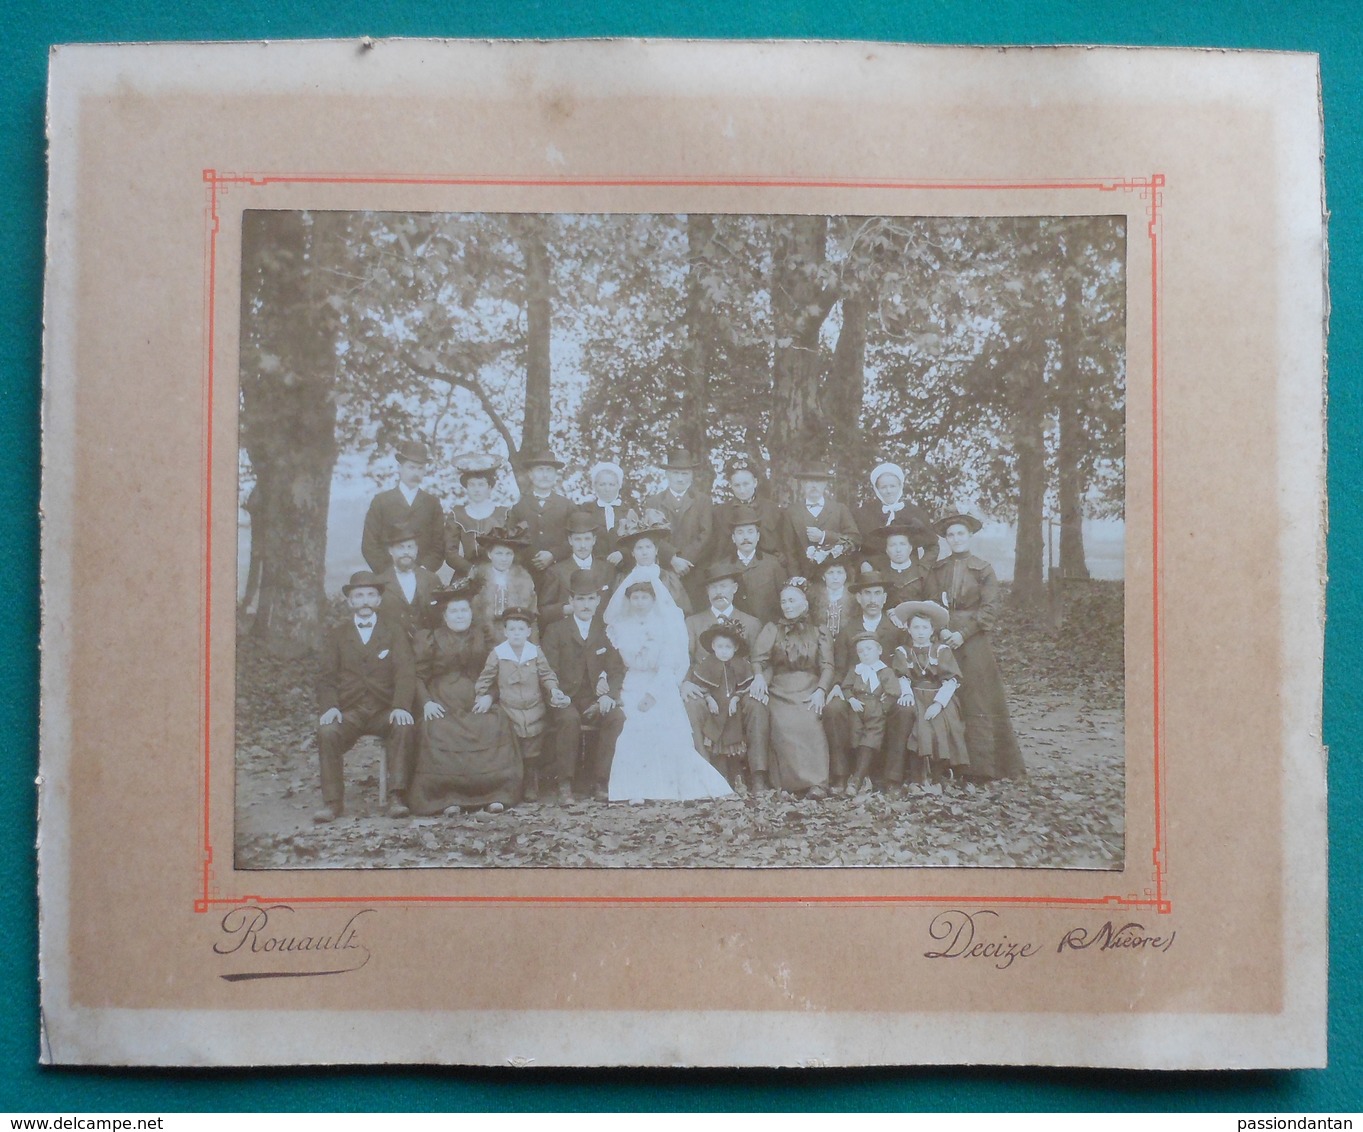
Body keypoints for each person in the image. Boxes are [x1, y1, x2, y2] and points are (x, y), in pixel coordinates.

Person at [602, 567, 734, 803]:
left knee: (662, 727)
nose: (640, 603)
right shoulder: (621, 627)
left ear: (654, 599)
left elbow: (668, 666)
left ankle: (666, 788)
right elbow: (616, 664)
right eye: (635, 598)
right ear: (629, 600)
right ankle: (635, 790)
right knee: (632, 730)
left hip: (660, 685)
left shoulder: (666, 626)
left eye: (645, 597)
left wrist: (652, 695)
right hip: (632, 683)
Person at [406, 579, 521, 815]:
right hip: (441, 701)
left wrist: (489, 696)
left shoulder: (484, 636)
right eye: (454, 611)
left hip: (477, 698)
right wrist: (426, 703)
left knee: (494, 722)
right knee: (438, 729)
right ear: (445, 616)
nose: (460, 615)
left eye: (464, 610)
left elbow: (499, 670)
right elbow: (417, 676)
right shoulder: (431, 638)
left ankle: (495, 794)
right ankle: (446, 797)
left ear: (471, 612)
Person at [313, 570, 417, 822]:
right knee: (327, 732)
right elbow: (326, 676)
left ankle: (397, 797)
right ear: (350, 602)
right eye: (359, 596)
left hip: (384, 710)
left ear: (379, 601)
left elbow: (405, 672)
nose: (365, 601)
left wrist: (401, 705)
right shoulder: (337, 635)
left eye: (371, 595)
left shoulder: (394, 631)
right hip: (350, 711)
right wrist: (330, 706)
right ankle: (332, 802)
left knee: (404, 726)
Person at [929, 512, 1026, 780]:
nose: (956, 539)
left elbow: (989, 608)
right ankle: (947, 764)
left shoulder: (983, 569)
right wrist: (943, 630)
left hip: (973, 643)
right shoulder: (938, 569)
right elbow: (930, 604)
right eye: (951, 535)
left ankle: (983, 767)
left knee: (977, 698)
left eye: (960, 534)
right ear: (946, 539)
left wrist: (963, 633)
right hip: (944, 638)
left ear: (969, 536)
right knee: (943, 696)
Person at [540, 570, 627, 802]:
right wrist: (554, 692)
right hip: (565, 698)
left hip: (596, 699)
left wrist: (609, 695)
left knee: (616, 717)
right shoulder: (556, 630)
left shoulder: (606, 631)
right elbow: (548, 669)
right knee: (569, 720)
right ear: (571, 601)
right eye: (580, 599)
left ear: (598, 600)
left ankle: (601, 781)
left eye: (590, 599)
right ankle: (565, 783)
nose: (586, 605)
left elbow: (617, 669)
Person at [682, 562, 770, 790]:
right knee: (692, 705)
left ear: (734, 589)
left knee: (757, 705)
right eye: (713, 588)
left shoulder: (751, 623)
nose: (718, 592)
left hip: (740, 689)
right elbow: (685, 659)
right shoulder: (693, 622)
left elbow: (761, 659)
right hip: (706, 689)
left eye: (723, 586)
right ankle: (705, 774)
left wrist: (759, 679)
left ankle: (758, 774)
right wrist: (685, 683)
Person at [473, 607, 572, 802]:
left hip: (534, 707)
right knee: (512, 745)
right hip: (509, 708)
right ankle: (511, 784)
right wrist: (481, 695)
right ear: (505, 632)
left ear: (528, 632)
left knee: (532, 746)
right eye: (512, 629)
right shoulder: (498, 654)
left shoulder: (534, 652)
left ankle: (530, 779)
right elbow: (486, 678)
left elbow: (546, 674)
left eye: (521, 629)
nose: (516, 633)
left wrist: (553, 689)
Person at [750, 578, 833, 796]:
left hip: (809, 687)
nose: (787, 605)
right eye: (784, 601)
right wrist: (758, 677)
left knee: (811, 722)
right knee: (783, 724)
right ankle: (790, 783)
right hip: (780, 687)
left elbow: (827, 666)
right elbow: (759, 659)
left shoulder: (819, 631)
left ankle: (817, 783)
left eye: (792, 600)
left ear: (805, 603)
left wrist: (821, 691)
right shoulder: (772, 629)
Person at [834, 571, 916, 789]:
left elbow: (903, 662)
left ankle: (893, 778)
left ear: (885, 598)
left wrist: (900, 689)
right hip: (857, 693)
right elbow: (840, 668)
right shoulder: (848, 629)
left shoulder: (896, 630)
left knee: (905, 710)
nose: (872, 599)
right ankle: (841, 775)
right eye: (867, 594)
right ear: (858, 598)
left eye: (877, 593)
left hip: (886, 693)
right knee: (833, 708)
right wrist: (841, 689)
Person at [891, 600, 970, 788]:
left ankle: (940, 773)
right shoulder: (903, 651)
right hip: (915, 694)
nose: (920, 632)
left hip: (939, 695)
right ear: (908, 629)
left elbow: (951, 680)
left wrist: (938, 703)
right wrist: (907, 694)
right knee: (919, 727)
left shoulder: (941, 650)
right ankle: (919, 776)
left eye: (924, 627)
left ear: (932, 629)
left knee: (942, 724)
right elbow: (902, 676)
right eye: (916, 627)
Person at [687, 620, 755, 787]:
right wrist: (709, 700)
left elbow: (744, 685)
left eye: (728, 648)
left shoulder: (740, 664)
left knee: (733, 745)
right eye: (720, 647)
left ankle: (737, 777)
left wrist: (736, 698)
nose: (724, 652)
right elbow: (702, 685)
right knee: (718, 745)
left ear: (735, 648)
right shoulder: (708, 664)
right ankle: (720, 778)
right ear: (713, 646)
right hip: (716, 711)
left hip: (732, 712)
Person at [361, 440, 446, 574]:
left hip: (422, 577)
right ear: (400, 468)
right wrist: (389, 573)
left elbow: (438, 546)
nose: (416, 473)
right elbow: (369, 545)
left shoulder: (432, 503)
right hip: (388, 578)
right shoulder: (381, 501)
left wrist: (423, 571)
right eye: (411, 467)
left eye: (420, 468)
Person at [706, 452, 799, 572]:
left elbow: (786, 547)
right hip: (731, 573)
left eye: (746, 484)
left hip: (767, 572)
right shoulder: (720, 513)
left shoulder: (773, 510)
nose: (742, 490)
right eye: (737, 485)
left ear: (755, 482)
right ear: (730, 485)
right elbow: (716, 551)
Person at [838, 631, 903, 796]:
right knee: (855, 737)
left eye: (869, 649)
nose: (865, 654)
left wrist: (883, 707)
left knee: (871, 738)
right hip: (857, 708)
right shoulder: (856, 670)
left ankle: (856, 780)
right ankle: (860, 774)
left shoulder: (885, 671)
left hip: (876, 709)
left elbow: (894, 691)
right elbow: (845, 687)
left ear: (879, 650)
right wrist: (851, 699)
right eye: (861, 651)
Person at [643, 446, 713, 594]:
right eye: (675, 473)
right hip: (664, 571)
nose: (680, 478)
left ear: (692, 475)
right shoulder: (653, 502)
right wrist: (672, 559)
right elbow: (651, 536)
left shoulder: (703, 501)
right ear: (667, 474)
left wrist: (684, 561)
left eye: (685, 473)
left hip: (694, 571)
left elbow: (706, 535)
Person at [506, 448, 574, 593]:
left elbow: (575, 539)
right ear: (530, 474)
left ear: (555, 475)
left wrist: (553, 555)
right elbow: (511, 542)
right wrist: (529, 558)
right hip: (527, 575)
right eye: (540, 470)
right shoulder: (519, 507)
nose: (544, 475)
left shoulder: (567, 506)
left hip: (559, 574)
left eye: (549, 470)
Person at [853, 461, 936, 571]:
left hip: (909, 574)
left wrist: (923, 567)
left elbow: (932, 545)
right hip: (875, 573)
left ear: (900, 486)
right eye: (883, 487)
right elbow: (854, 545)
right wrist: (862, 563)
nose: (888, 491)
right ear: (876, 489)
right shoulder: (864, 513)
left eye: (892, 486)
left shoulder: (915, 512)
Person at [541, 512, 615, 626]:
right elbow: (543, 611)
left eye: (587, 539)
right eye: (578, 539)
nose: (583, 545)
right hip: (568, 634)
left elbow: (615, 604)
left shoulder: (607, 569)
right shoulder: (556, 571)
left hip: (601, 633)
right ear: (570, 540)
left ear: (594, 540)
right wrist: (566, 609)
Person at [717, 504, 786, 626]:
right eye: (740, 533)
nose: (745, 537)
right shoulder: (723, 567)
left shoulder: (773, 564)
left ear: (758, 536)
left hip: (767, 632)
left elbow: (783, 600)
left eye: (750, 532)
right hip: (735, 634)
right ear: (733, 538)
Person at [613, 510, 692, 614]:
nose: (644, 552)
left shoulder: (669, 578)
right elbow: (619, 612)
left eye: (648, 547)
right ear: (632, 552)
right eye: (639, 548)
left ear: (656, 550)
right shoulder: (624, 580)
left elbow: (682, 611)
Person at [783, 466, 859, 571]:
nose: (814, 486)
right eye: (809, 481)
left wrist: (825, 536)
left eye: (818, 481)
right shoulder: (791, 512)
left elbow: (854, 539)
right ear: (802, 484)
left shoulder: (839, 509)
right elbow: (789, 551)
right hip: (804, 576)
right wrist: (796, 579)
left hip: (835, 576)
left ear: (825, 484)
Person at [469, 525, 538, 639]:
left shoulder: (524, 579)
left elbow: (532, 616)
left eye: (508, 554)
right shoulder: (477, 576)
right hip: (483, 633)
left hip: (514, 633)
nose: (504, 559)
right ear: (490, 554)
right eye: (499, 553)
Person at [444, 456, 510, 573]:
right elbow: (450, 553)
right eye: (472, 485)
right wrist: (471, 570)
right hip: (467, 574)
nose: (476, 489)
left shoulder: (504, 514)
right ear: (466, 488)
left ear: (489, 487)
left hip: (499, 573)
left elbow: (513, 549)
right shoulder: (457, 515)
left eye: (481, 484)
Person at [375, 522, 440, 639]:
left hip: (428, 647)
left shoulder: (432, 579)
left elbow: (440, 618)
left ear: (416, 550)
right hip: (393, 647)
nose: (406, 552)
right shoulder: (379, 583)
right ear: (390, 551)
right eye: (401, 547)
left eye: (410, 547)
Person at [576, 461, 639, 567]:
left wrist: (623, 553)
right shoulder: (586, 511)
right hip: (593, 567)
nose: (607, 489)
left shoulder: (628, 511)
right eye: (602, 484)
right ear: (595, 486)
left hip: (624, 567)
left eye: (612, 484)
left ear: (619, 486)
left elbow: (638, 541)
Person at [863, 521, 934, 608]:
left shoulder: (923, 573)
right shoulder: (880, 575)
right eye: (892, 545)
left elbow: (933, 602)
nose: (898, 550)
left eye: (902, 544)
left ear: (910, 548)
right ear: (887, 550)